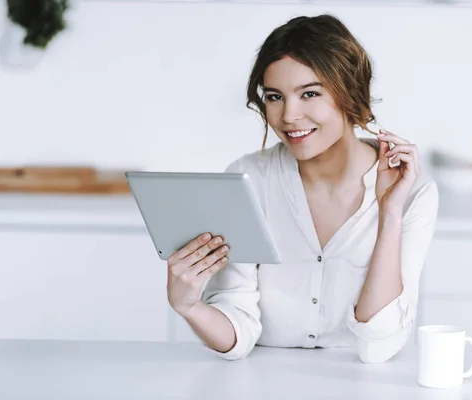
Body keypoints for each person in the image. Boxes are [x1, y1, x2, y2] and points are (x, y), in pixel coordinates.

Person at [165, 14, 439, 364]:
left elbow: (379, 343)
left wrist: (389, 213)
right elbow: (238, 324)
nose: (289, 116)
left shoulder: (413, 191)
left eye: (309, 93)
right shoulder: (247, 178)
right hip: (259, 382)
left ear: (349, 92)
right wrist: (188, 306)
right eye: (275, 96)